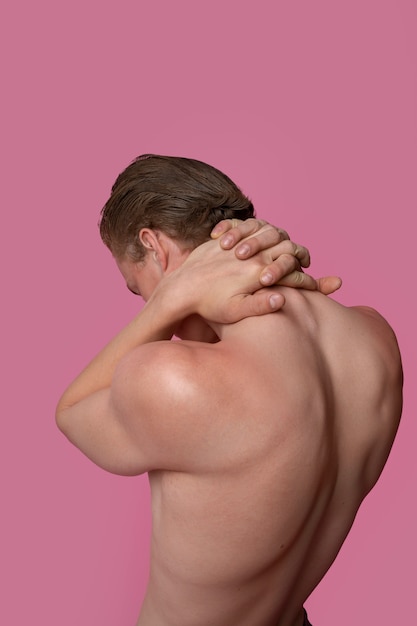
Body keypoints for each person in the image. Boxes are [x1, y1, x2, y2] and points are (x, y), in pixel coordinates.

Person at [56, 155, 403, 626]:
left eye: (140, 291)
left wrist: (171, 299)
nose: (159, 321)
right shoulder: (374, 340)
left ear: (154, 248)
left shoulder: (171, 379)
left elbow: (72, 412)